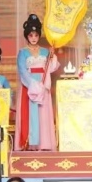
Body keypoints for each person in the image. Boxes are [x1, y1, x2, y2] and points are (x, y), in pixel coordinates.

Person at [15, 14, 59, 151]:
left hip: (43, 84)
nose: (33, 38)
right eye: (31, 35)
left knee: (43, 113)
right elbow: (22, 70)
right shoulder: (22, 52)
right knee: (31, 114)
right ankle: (30, 144)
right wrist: (33, 85)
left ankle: (44, 144)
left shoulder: (45, 51)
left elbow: (51, 68)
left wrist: (52, 56)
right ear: (27, 36)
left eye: (36, 35)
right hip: (29, 86)